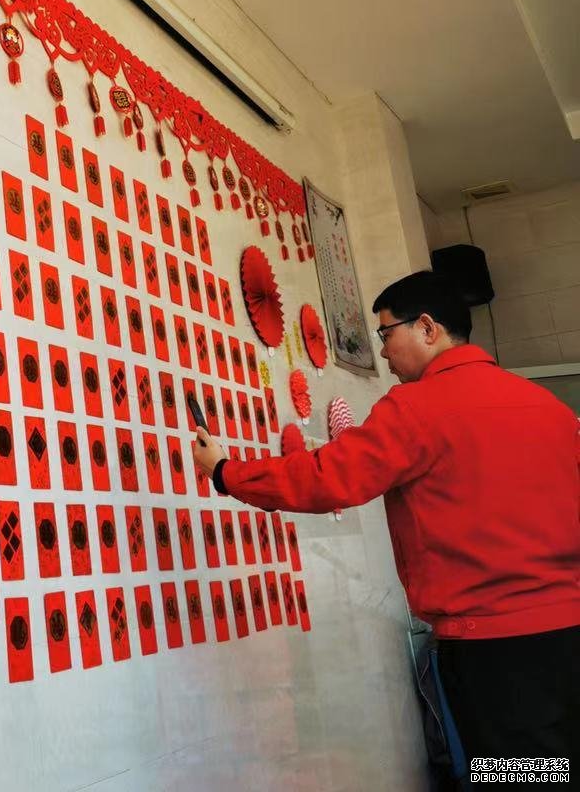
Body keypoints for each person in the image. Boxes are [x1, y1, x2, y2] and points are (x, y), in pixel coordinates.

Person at [193, 270, 579, 772]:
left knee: (516, 775)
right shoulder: (549, 408)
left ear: (427, 327)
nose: (383, 353)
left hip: (495, 651)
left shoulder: (418, 407)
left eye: (386, 334)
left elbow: (328, 477)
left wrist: (226, 472)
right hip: (568, 633)